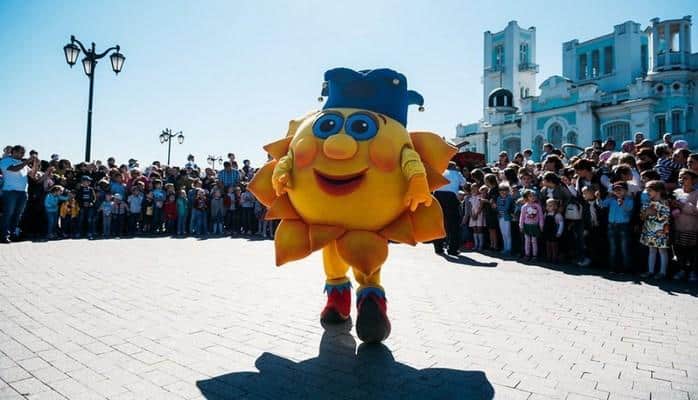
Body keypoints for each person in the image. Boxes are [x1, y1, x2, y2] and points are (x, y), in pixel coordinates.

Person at [0, 145, 38, 243]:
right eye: (20, 152)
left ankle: (12, 234)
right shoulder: (5, 161)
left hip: (23, 192)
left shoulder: (23, 163)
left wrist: (35, 164)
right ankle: (3, 235)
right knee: (8, 214)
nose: (22, 154)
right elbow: (14, 169)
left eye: (23, 153)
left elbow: (33, 175)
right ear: (13, 152)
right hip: (10, 191)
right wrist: (27, 161)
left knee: (17, 215)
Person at [597, 182, 634, 273]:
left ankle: (626, 268)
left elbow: (629, 209)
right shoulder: (611, 200)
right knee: (613, 248)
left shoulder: (629, 200)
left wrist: (622, 203)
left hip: (623, 226)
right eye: (615, 190)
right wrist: (598, 198)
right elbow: (601, 205)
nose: (617, 191)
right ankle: (614, 268)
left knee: (624, 248)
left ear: (625, 191)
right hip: (612, 226)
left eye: (620, 189)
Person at [639, 181, 671, 279]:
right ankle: (650, 271)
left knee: (662, 251)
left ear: (658, 191)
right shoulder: (647, 203)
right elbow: (642, 217)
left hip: (661, 231)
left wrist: (655, 213)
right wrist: (646, 213)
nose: (647, 192)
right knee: (651, 250)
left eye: (649, 190)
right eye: (646, 190)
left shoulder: (665, 202)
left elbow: (666, 216)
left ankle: (662, 272)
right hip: (649, 230)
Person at [670, 169, 698, 281]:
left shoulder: (696, 193)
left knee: (693, 252)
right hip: (678, 228)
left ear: (694, 180)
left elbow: (696, 211)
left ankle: (692, 272)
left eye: (685, 178)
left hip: (693, 228)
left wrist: (681, 205)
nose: (681, 180)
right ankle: (681, 270)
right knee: (678, 251)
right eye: (680, 177)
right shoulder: (676, 192)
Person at [433, 161, 465, 255]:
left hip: (438, 196)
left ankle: (438, 248)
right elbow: (464, 184)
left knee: (439, 223)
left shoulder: (440, 171)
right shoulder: (456, 173)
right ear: (454, 167)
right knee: (454, 224)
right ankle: (453, 249)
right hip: (451, 197)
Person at [519, 190, 544, 261]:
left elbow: (541, 216)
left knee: (534, 241)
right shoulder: (524, 207)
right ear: (526, 197)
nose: (533, 197)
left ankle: (534, 255)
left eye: (534, 196)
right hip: (527, 226)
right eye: (530, 196)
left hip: (535, 226)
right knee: (527, 241)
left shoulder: (538, 206)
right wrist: (521, 226)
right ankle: (527, 254)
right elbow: (522, 217)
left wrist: (541, 225)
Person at [496, 184, 514, 256]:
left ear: (507, 191)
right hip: (500, 217)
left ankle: (509, 249)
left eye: (505, 190)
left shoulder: (509, 198)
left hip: (507, 218)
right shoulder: (498, 198)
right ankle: (505, 248)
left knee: (508, 234)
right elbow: (497, 207)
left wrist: (500, 209)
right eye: (501, 190)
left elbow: (506, 207)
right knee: (503, 234)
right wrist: (499, 209)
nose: (503, 192)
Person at [469, 185, 486, 251]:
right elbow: (470, 207)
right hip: (473, 214)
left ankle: (480, 245)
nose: (474, 190)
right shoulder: (471, 197)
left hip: (479, 214)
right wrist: (472, 214)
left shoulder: (480, 197)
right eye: (472, 189)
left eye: (475, 189)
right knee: (474, 229)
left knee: (479, 229)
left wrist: (476, 214)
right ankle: (476, 244)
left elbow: (481, 206)